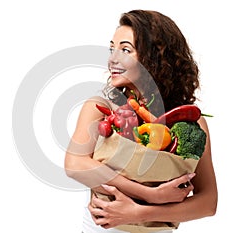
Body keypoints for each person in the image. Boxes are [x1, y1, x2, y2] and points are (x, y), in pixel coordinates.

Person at [65, 9, 217, 233]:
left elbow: (208, 202)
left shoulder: (192, 123)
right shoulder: (101, 107)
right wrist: (150, 194)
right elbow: (75, 165)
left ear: (156, 57)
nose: (113, 58)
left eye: (126, 50)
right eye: (112, 49)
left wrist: (141, 212)